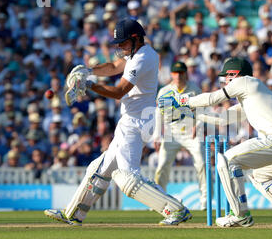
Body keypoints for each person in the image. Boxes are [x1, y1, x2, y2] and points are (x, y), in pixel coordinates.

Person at [44, 18, 192, 226]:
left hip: (136, 122)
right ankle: (74, 214)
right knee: (98, 170)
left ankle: (176, 210)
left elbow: (119, 92)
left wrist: (88, 85)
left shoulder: (143, 58)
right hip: (132, 119)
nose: (120, 47)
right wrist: (88, 71)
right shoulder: (135, 54)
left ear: (135, 39)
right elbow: (113, 66)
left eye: (123, 42)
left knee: (127, 177)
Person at [158, 57, 272, 227]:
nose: (224, 81)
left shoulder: (245, 81)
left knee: (226, 160)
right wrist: (192, 113)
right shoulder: (253, 95)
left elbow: (213, 98)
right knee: (261, 176)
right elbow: (223, 118)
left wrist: (182, 101)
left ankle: (240, 214)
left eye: (226, 77)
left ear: (234, 74)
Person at [153, 61, 208, 210]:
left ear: (186, 73)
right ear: (171, 74)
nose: (178, 76)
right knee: (162, 165)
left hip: (192, 133)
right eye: (175, 73)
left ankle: (205, 200)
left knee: (202, 163)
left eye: (181, 73)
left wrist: (198, 127)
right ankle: (158, 199)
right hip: (172, 134)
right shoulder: (164, 91)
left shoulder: (194, 90)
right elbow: (159, 115)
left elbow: (202, 112)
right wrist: (157, 136)